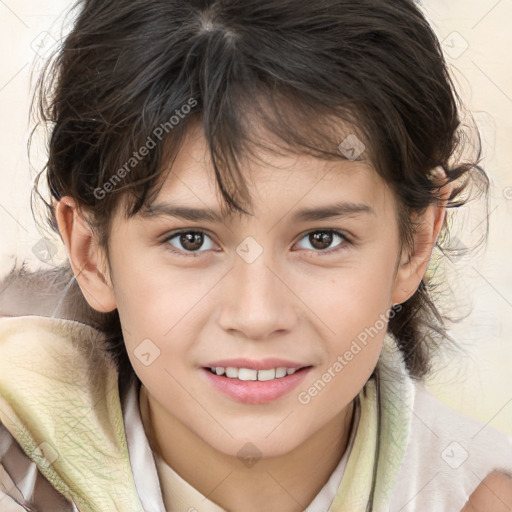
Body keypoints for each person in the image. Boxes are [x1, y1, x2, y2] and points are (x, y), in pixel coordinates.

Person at [1, 0, 511, 510]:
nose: (257, 315)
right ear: (91, 254)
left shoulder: (481, 490)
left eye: (322, 239)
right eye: (191, 240)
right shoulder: (15, 472)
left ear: (414, 244)